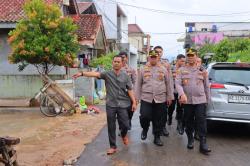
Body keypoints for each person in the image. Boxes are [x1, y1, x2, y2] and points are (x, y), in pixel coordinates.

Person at [72, 55, 137, 155]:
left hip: (123, 104)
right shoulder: (107, 74)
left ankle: (124, 135)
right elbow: (95, 74)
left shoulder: (126, 76)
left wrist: (134, 102)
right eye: (114, 61)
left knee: (125, 124)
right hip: (111, 104)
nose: (116, 63)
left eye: (118, 62)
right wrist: (81, 73)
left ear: (122, 64)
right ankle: (113, 146)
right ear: (112, 63)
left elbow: (130, 89)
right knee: (111, 125)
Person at [175, 48, 211, 155]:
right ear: (187, 56)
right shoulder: (181, 70)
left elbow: (206, 86)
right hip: (188, 101)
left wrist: (207, 100)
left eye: (192, 55)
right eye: (189, 55)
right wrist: (182, 94)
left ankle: (203, 143)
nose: (190, 57)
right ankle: (190, 138)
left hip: (200, 100)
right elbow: (177, 83)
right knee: (188, 121)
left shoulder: (202, 70)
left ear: (196, 56)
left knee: (201, 121)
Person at [135, 50, 174, 146]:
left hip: (161, 98)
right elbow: (138, 84)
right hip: (146, 97)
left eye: (155, 57)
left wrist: (170, 97)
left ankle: (157, 137)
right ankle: (145, 128)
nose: (153, 58)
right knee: (144, 116)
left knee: (158, 118)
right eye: (151, 57)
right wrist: (136, 97)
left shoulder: (163, 69)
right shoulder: (143, 69)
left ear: (157, 58)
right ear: (149, 57)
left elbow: (168, 84)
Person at [154, 46, 173, 136]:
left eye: (160, 52)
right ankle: (155, 128)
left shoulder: (166, 64)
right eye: (156, 51)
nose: (158, 53)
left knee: (163, 112)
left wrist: (170, 95)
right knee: (153, 113)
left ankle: (163, 127)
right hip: (151, 94)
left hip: (163, 93)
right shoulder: (148, 63)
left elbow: (169, 81)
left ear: (162, 53)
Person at [168, 54, 186, 135]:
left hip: (181, 93)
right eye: (182, 61)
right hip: (173, 91)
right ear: (177, 60)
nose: (183, 62)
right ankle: (170, 117)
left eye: (184, 61)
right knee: (171, 107)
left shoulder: (185, 69)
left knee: (180, 109)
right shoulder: (171, 69)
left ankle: (179, 125)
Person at [119, 52, 137, 130]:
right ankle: (122, 128)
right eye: (121, 57)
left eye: (124, 57)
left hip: (129, 94)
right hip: (119, 94)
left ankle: (129, 120)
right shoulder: (116, 69)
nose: (123, 58)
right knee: (120, 112)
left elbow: (135, 81)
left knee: (130, 110)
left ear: (127, 58)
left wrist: (135, 95)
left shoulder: (131, 70)